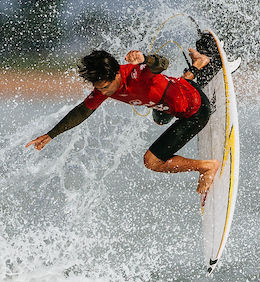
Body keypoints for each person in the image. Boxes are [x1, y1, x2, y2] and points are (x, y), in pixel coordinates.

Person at [26, 39, 222, 194]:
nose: (102, 92)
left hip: (195, 110)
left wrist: (145, 59)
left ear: (117, 75)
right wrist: (51, 134)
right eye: (98, 88)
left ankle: (206, 167)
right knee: (160, 118)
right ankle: (198, 64)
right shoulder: (104, 87)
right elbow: (82, 111)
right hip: (182, 90)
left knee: (151, 162)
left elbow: (163, 63)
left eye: (104, 87)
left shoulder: (137, 74)